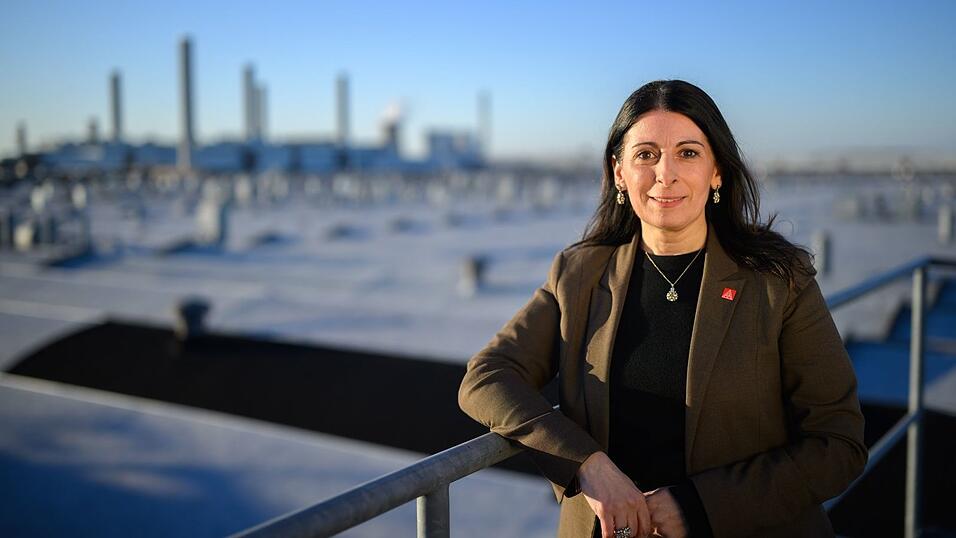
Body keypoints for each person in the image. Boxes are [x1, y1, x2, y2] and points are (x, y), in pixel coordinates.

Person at [458, 80, 867, 538]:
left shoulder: (778, 281)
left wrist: (698, 506)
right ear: (618, 172)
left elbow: (838, 444)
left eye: (688, 153)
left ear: (717, 171)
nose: (665, 174)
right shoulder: (579, 274)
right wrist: (585, 463)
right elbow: (486, 377)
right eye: (646, 154)